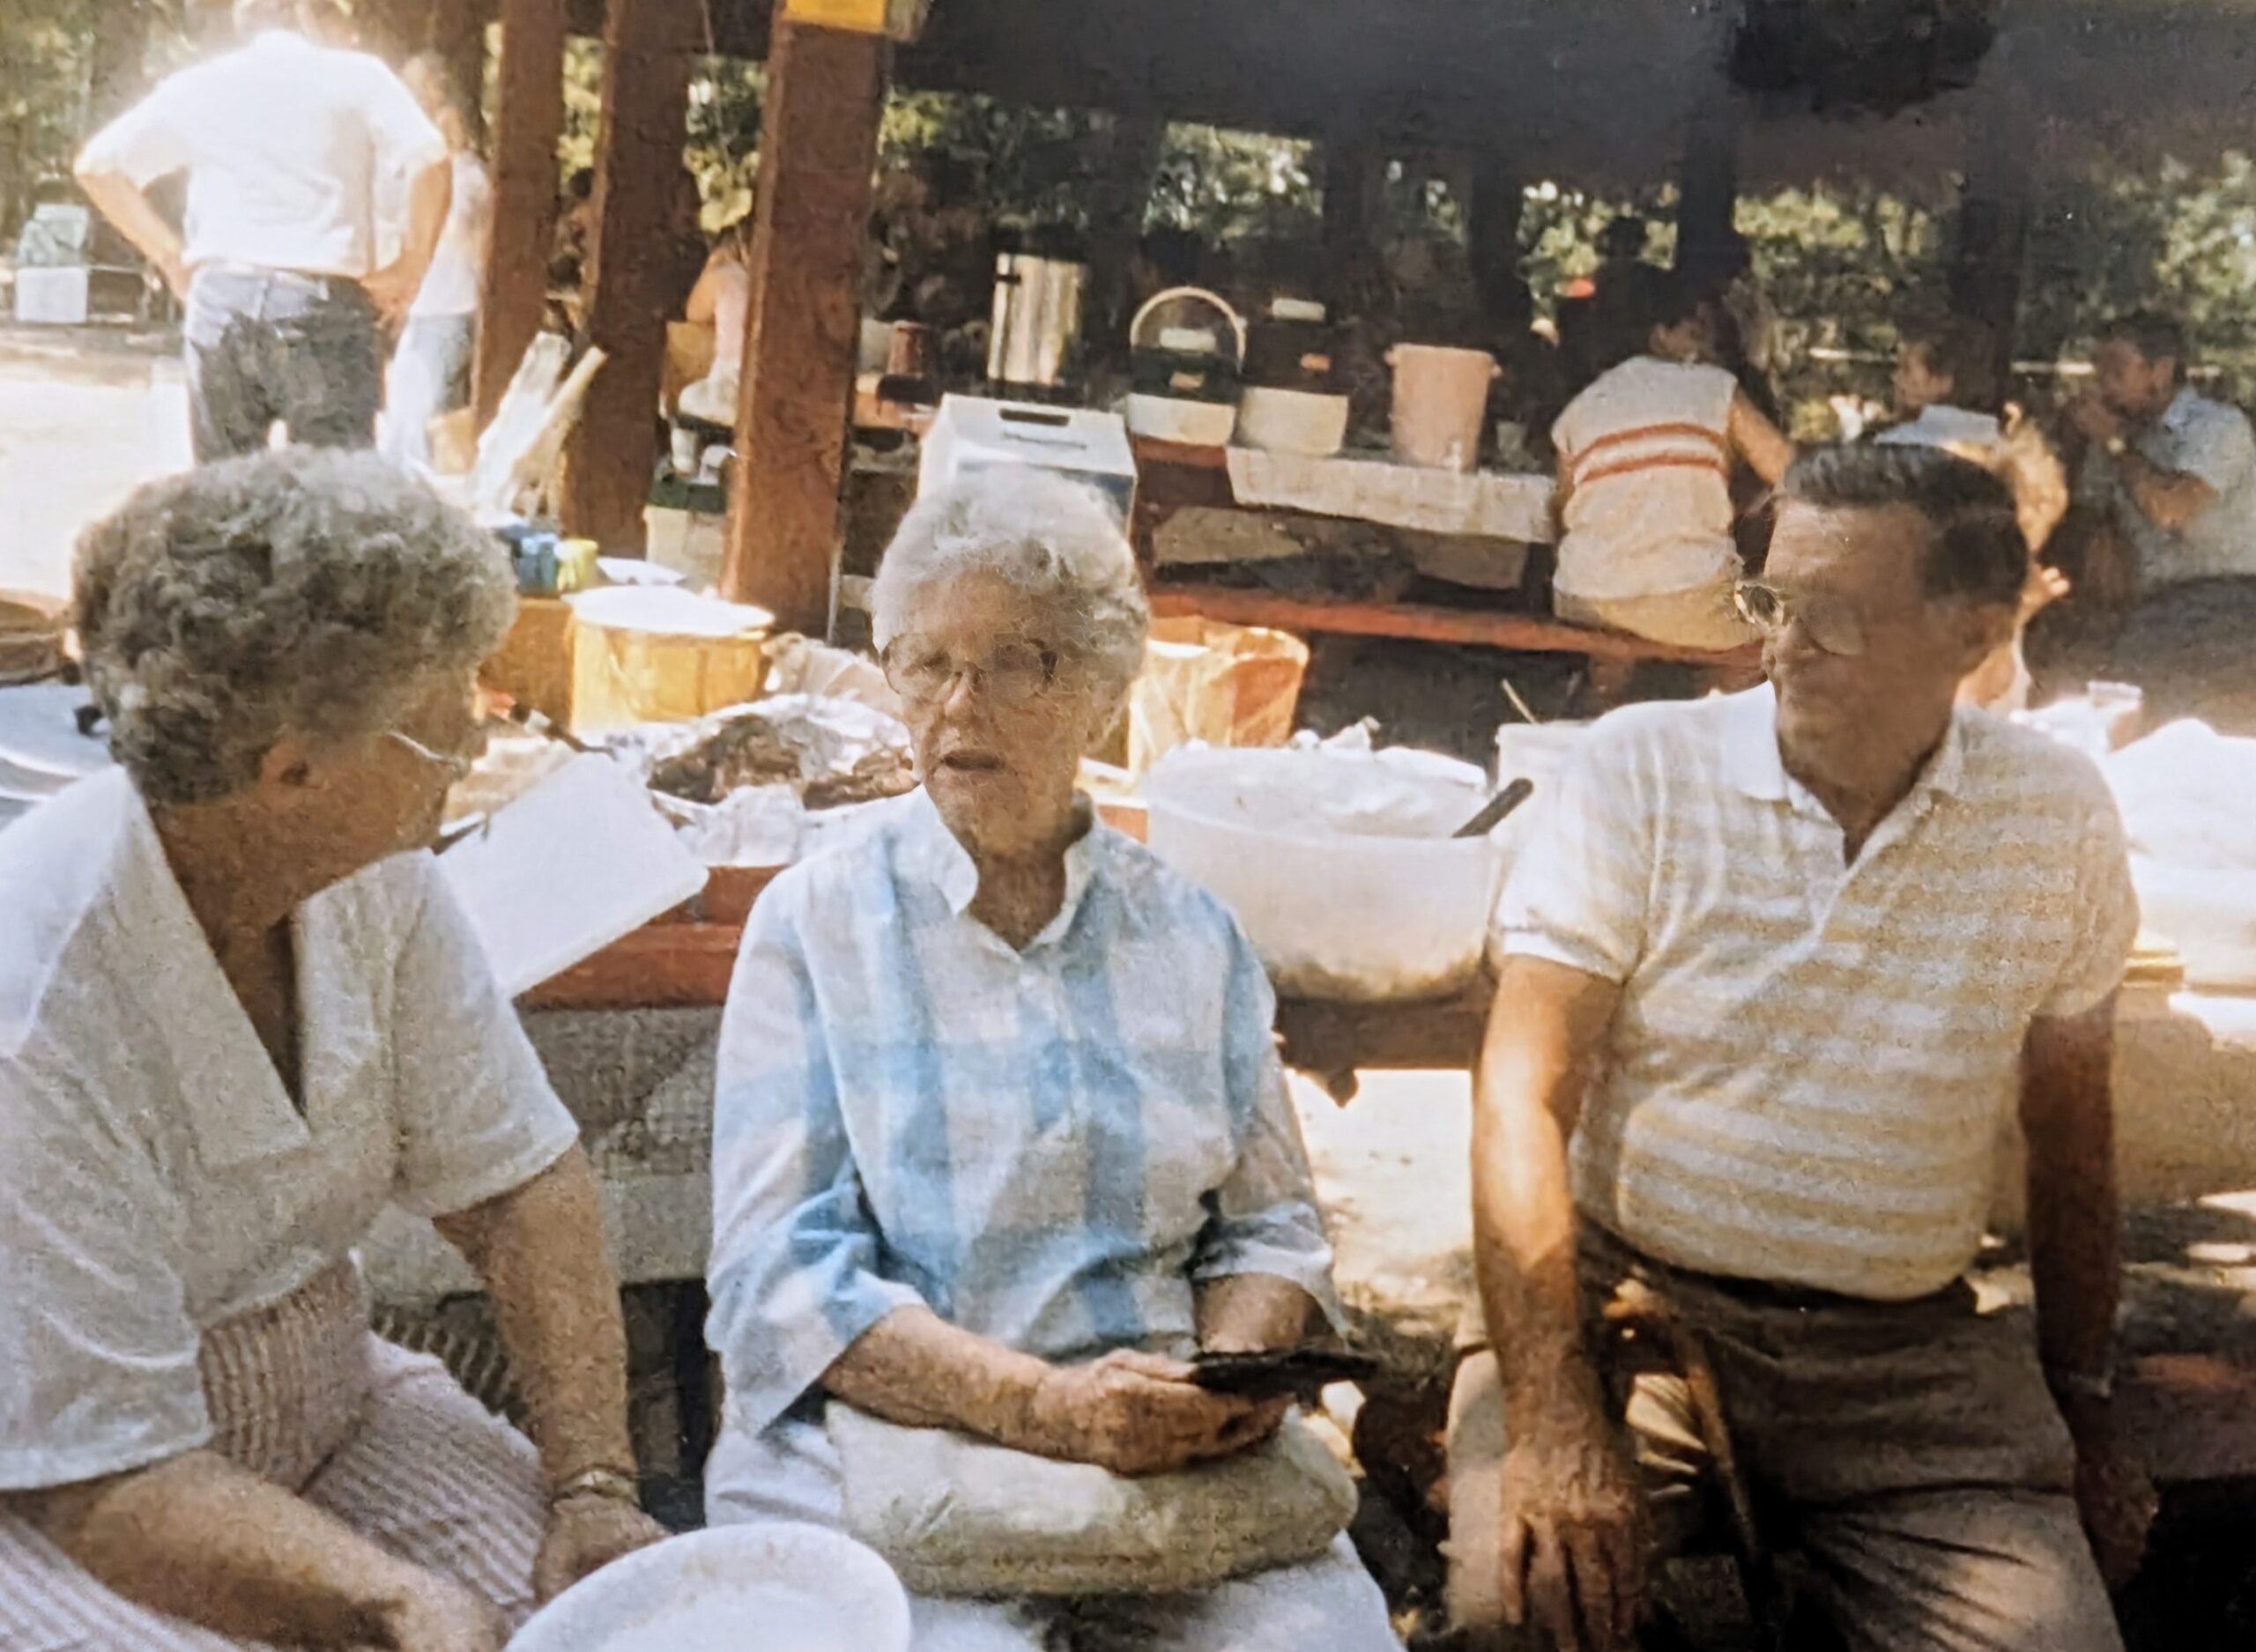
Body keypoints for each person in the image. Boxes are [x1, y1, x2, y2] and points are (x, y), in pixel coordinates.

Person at [1458, 443, 2150, 1652]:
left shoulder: (2056, 814)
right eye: (1770, 599)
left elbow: (2071, 1141)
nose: (1783, 643)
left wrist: (2081, 1401)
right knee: (1516, 1613)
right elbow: (1521, 1093)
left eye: (1833, 615)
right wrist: (1554, 1413)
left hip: (1908, 1360)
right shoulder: (1641, 771)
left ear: (1974, 633)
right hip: (1635, 1318)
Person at [703, 473, 1399, 1652]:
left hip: (1161, 1459)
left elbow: (1272, 1229)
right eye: (926, 662)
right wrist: (1048, 1408)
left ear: (1104, 693)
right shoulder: (816, 923)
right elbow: (779, 1276)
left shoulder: (1193, 933)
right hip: (898, 1452)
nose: (958, 703)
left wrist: (1219, 1385)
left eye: (1016, 662)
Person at [0, 450, 666, 1652]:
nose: (475, 736)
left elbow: (516, 1186)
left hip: (332, 1405)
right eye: (443, 712)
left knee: (605, 1624)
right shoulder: (37, 999)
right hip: (68, 1490)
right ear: (291, 768)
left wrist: (592, 1485)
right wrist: (390, 1598)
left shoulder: (373, 875)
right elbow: (111, 1484)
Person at [75, 0, 453, 462]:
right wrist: (411, 266)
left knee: (226, 485)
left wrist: (171, 257)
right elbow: (431, 158)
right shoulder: (356, 76)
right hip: (321, 298)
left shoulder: (206, 83)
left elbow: (98, 167)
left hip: (223, 294)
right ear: (311, 13)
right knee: (331, 488)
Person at [1549, 271, 1796, 651]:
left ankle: (1611, 688)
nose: (1707, 347)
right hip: (1688, 598)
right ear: (1660, 337)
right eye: (1695, 334)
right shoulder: (1714, 388)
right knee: (1794, 614)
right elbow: (1790, 471)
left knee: (1630, 624)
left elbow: (1562, 508)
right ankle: (1719, 690)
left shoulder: (1580, 408)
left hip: (1582, 596)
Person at [2066, 311, 2256, 728]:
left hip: (2227, 601)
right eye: (2099, 373)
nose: (2104, 386)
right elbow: (2090, 512)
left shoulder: (2218, 427)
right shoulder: (2118, 438)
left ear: (2161, 371)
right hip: (2149, 604)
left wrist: (2114, 443)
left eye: (2116, 371)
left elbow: (2170, 508)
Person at [381, 52, 493, 471]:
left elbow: (476, 247)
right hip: (425, 308)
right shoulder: (422, 173)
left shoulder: (471, 178)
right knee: (402, 419)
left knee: (418, 421)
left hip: (451, 307)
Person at [677, 214, 756, 427]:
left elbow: (694, 312)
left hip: (730, 381)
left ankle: (688, 450)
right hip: (778, 388)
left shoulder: (725, 275)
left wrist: (713, 264)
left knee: (688, 398)